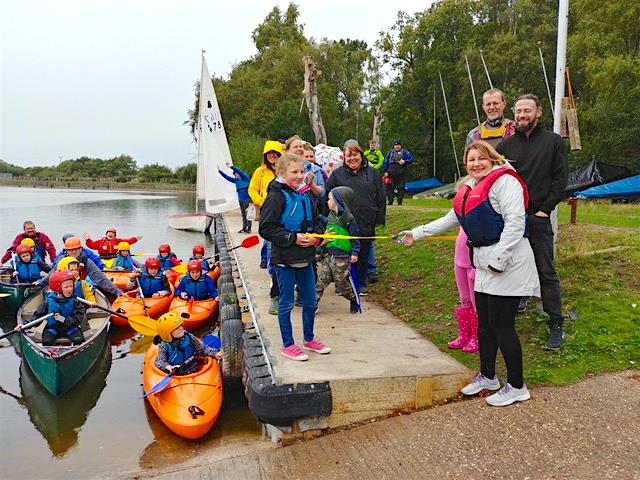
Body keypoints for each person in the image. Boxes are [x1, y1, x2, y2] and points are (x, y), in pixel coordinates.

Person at [401, 140, 540, 407]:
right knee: (484, 324)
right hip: (485, 262)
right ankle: (488, 376)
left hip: (509, 263)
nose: (476, 164)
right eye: (471, 160)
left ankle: (517, 385)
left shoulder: (505, 182)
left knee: (502, 326)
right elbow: (450, 218)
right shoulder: (472, 187)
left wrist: (499, 260)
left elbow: (515, 222)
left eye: (481, 158)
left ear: (491, 158)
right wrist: (415, 234)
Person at [497, 93, 569, 350]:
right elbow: (495, 180)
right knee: (507, 268)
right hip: (511, 219)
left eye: (527, 110)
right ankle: (507, 317)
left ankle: (556, 323)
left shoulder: (553, 142)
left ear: (538, 112)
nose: (522, 115)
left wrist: (545, 210)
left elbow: (561, 181)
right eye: (518, 111)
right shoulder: (505, 147)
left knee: (545, 272)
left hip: (538, 217)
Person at [259, 152, 330, 361]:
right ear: (282, 173)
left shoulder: (307, 194)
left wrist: (315, 239)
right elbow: (266, 229)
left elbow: (317, 222)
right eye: (294, 172)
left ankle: (309, 339)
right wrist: (293, 237)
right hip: (284, 260)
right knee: (287, 303)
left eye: (302, 171)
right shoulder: (276, 196)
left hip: (306, 258)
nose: (300, 176)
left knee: (310, 301)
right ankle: (288, 345)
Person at [326, 143, 386, 296]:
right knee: (343, 252)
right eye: (349, 156)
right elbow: (327, 195)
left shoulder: (373, 173)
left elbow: (381, 197)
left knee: (363, 252)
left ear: (361, 155)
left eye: (355, 155)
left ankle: (360, 283)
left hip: (366, 218)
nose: (352, 158)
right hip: (344, 222)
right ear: (344, 158)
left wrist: (379, 218)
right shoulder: (337, 174)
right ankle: (343, 283)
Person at [315, 187, 360, 314]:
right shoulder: (331, 216)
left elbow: (356, 237)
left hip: (342, 257)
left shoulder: (348, 219)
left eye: (330, 199)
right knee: (321, 281)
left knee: (341, 282)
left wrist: (355, 253)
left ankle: (352, 299)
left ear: (338, 201)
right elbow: (325, 222)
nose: (327, 202)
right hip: (328, 256)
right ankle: (313, 304)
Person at [38, 236, 124, 296]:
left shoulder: (86, 262)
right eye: (71, 250)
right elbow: (52, 274)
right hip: (60, 292)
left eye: (76, 249)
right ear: (66, 251)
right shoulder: (61, 260)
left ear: (80, 249)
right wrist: (40, 283)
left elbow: (100, 278)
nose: (74, 252)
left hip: (78, 291)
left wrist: (117, 291)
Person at [28, 270, 87, 346]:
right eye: (66, 287)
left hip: (70, 328)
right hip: (53, 328)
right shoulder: (48, 301)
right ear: (58, 288)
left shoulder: (75, 301)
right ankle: (50, 354)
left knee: (78, 340)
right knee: (46, 341)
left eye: (71, 286)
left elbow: (78, 318)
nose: (70, 289)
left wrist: (64, 319)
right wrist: (25, 324)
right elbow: (37, 316)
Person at [249, 140, 283, 271]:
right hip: (267, 210)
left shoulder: (284, 169)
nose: (272, 155)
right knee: (270, 239)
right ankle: (271, 269)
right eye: (269, 153)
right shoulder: (260, 171)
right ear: (265, 155)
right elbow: (252, 189)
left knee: (273, 238)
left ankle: (267, 259)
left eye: (275, 152)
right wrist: (261, 201)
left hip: (283, 210)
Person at [154, 312, 222, 375]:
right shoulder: (164, 346)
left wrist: (215, 353)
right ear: (167, 334)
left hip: (191, 366)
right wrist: (169, 367)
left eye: (180, 325)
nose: (181, 328)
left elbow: (202, 349)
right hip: (176, 371)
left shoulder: (189, 337)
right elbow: (159, 361)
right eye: (176, 328)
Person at [218, 162, 252, 233]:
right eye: (234, 174)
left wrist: (231, 167)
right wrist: (220, 172)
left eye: (236, 174)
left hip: (247, 199)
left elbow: (240, 172)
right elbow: (227, 178)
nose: (235, 175)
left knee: (247, 214)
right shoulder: (236, 181)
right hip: (240, 200)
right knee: (243, 214)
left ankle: (249, 228)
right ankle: (244, 227)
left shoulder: (246, 178)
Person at [383, 140, 413, 205]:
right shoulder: (390, 153)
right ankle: (390, 201)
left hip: (401, 172)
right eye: (396, 145)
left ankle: (400, 201)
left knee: (401, 187)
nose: (397, 146)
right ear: (394, 146)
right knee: (390, 187)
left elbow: (410, 159)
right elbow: (385, 161)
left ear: (400, 146)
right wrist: (385, 171)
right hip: (391, 172)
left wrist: (405, 161)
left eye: (398, 145)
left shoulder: (405, 152)